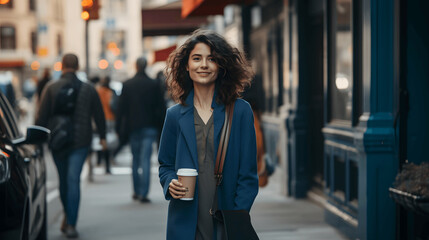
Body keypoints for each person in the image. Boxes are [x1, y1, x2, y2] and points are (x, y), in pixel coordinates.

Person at [158, 29, 258, 240]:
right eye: (196, 58)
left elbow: (248, 176)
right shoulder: (174, 115)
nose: (203, 65)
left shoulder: (240, 111)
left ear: (221, 66)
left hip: (226, 220)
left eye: (211, 59)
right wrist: (170, 183)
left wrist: (238, 215)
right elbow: (165, 165)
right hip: (185, 220)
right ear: (186, 65)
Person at [36, 53, 106, 238]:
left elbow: (42, 117)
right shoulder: (89, 89)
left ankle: (68, 215)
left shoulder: (51, 88)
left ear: (61, 65)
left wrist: (37, 141)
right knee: (73, 180)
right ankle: (71, 223)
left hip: (58, 140)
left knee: (63, 181)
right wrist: (103, 137)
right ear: (78, 66)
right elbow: (98, 114)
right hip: (81, 141)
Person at [116, 57, 166, 203]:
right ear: (146, 66)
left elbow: (121, 109)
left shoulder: (127, 84)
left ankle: (136, 191)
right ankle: (144, 193)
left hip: (132, 127)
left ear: (135, 66)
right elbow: (161, 107)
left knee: (135, 159)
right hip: (150, 126)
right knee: (145, 160)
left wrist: (119, 128)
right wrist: (162, 127)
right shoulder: (154, 84)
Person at [95, 76, 117, 174]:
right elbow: (113, 105)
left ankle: (99, 159)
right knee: (108, 141)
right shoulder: (110, 93)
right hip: (110, 118)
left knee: (100, 139)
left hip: (100, 118)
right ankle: (107, 165)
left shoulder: (98, 91)